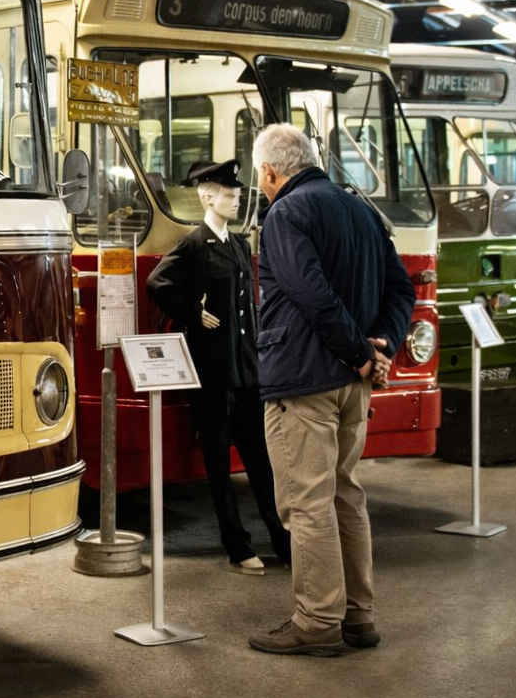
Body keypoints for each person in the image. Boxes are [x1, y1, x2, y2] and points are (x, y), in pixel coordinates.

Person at [246, 124, 414, 657]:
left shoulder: (286, 213)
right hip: (351, 385)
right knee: (345, 495)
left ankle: (318, 620)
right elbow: (401, 288)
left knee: (307, 503)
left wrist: (361, 352)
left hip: (304, 378)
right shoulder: (361, 211)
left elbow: (310, 293)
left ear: (270, 171)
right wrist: (381, 343)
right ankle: (358, 615)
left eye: (259, 175)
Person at [147, 159, 291, 575]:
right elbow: (157, 283)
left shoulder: (240, 245)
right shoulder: (194, 244)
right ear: (208, 197)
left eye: (237, 193)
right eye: (229, 194)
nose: (236, 200)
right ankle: (236, 544)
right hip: (212, 370)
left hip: (246, 367)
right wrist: (192, 313)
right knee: (218, 463)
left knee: (261, 460)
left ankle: (283, 541)